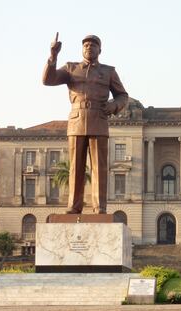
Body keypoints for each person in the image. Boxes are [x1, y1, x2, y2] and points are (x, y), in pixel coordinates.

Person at [43, 33, 128, 214]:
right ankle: (74, 207)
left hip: (99, 118)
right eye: (86, 45)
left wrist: (114, 105)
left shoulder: (108, 71)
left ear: (100, 50)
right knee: (75, 167)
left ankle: (99, 207)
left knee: (99, 167)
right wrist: (53, 56)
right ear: (82, 49)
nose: (89, 47)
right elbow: (48, 80)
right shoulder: (71, 68)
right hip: (77, 120)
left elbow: (123, 95)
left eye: (93, 45)